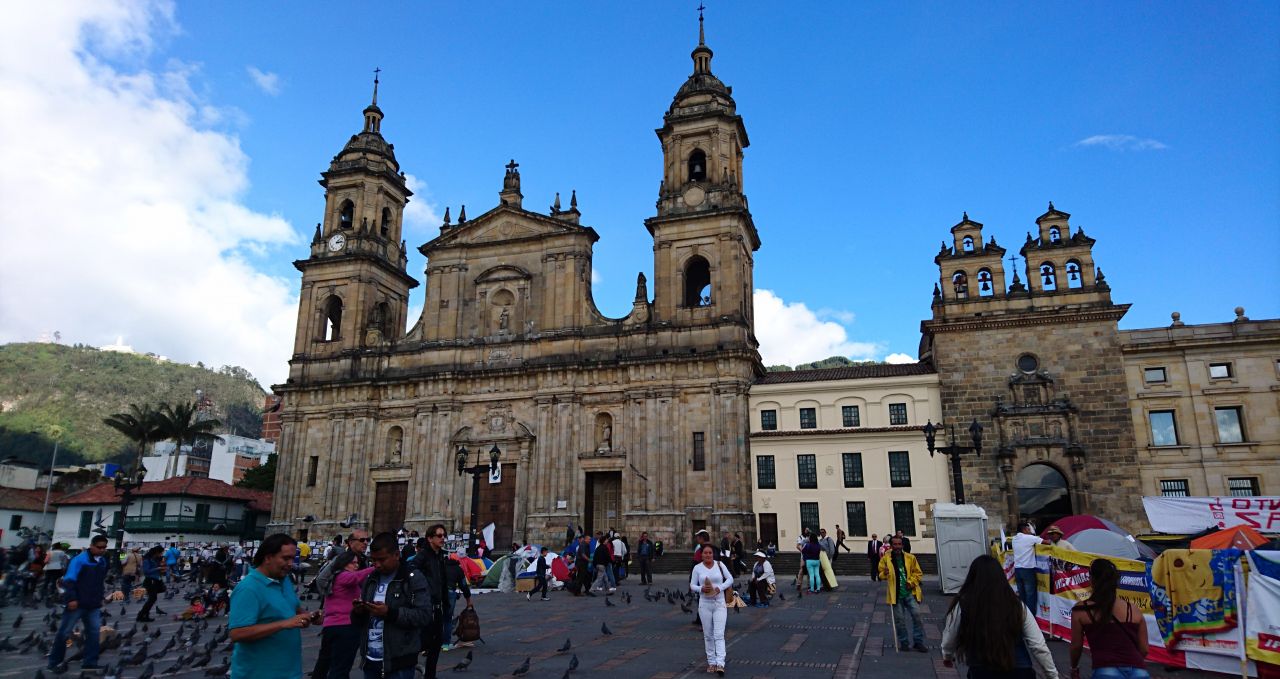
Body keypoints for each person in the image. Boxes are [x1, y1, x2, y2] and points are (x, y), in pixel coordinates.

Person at [942, 555, 1058, 678]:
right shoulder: (1017, 605)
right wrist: (1052, 675)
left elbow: (950, 636)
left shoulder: (962, 604)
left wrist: (947, 655)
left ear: (972, 577)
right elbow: (1038, 645)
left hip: (981, 671)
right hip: (1019, 670)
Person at [229, 533, 318, 679]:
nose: (291, 563)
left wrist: (309, 616)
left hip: (290, 672)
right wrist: (284, 624)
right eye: (285, 558)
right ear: (268, 557)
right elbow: (237, 633)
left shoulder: (284, 580)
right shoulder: (249, 588)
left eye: (292, 558)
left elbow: (293, 610)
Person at [351, 532, 431, 679]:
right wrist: (358, 611)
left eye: (382, 559)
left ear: (396, 554)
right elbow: (359, 622)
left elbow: (424, 616)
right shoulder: (371, 578)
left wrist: (390, 613)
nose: (377, 565)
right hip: (370, 661)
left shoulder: (412, 578)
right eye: (373, 560)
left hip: (399, 662)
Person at [1070, 559, 1149, 679]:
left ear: (1092, 580)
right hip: (1139, 672)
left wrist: (1074, 668)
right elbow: (1144, 649)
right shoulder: (1133, 610)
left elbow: (1076, 646)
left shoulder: (1081, 610)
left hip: (1106, 671)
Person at [311, 529, 372, 679]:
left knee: (331, 660)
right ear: (351, 543)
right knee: (336, 664)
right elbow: (321, 579)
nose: (366, 543)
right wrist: (331, 594)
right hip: (343, 620)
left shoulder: (361, 559)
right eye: (362, 540)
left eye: (367, 540)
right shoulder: (341, 559)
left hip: (351, 617)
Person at [47, 534, 109, 672]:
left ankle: (90, 662)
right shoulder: (79, 560)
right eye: (99, 547)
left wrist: (100, 597)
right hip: (77, 603)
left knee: (93, 633)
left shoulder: (102, 561)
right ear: (91, 546)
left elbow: (99, 582)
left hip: (93, 604)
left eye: (104, 547)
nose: (102, 550)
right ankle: (54, 662)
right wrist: (71, 599)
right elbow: (69, 581)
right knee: (64, 633)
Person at [879, 535, 927, 653]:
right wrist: (884, 573)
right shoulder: (886, 558)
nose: (897, 547)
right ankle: (904, 642)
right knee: (899, 620)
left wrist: (911, 582)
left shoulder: (910, 558)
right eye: (894, 544)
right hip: (896, 594)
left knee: (917, 616)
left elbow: (918, 573)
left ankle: (918, 642)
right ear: (891, 545)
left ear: (902, 545)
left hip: (910, 593)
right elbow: (880, 574)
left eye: (899, 544)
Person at [690, 544, 732, 675]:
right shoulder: (697, 568)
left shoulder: (720, 565)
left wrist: (720, 587)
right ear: (701, 555)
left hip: (719, 603)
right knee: (708, 635)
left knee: (719, 634)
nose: (708, 555)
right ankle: (711, 662)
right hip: (705, 604)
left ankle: (720, 663)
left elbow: (730, 579)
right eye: (705, 553)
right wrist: (700, 588)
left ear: (713, 554)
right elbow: (692, 585)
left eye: (710, 553)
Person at [415, 524, 450, 679]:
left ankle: (430, 675)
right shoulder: (423, 556)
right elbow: (411, 572)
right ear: (430, 538)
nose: (443, 539)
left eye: (444, 536)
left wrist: (446, 602)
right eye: (439, 536)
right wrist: (424, 591)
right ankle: (407, 669)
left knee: (436, 644)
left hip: (438, 607)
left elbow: (442, 581)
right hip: (425, 606)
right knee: (421, 642)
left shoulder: (440, 556)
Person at [442, 548, 474, 651]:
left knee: (437, 618)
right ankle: (446, 644)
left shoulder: (440, 567)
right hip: (450, 593)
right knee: (447, 619)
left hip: (438, 593)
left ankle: (433, 643)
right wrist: (468, 600)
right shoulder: (458, 569)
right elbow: (464, 586)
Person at [1011, 522, 1042, 613]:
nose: (1029, 531)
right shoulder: (1028, 538)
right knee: (1030, 595)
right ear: (1024, 529)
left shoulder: (1014, 539)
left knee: (1022, 595)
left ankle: (1023, 615)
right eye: (1028, 529)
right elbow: (1046, 542)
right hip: (1027, 570)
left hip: (1018, 570)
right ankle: (1030, 618)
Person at [137, 545, 165, 622]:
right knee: (152, 599)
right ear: (156, 552)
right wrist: (157, 568)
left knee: (152, 599)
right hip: (150, 581)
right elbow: (146, 571)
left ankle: (144, 615)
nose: (161, 554)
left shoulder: (153, 559)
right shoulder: (147, 560)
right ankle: (141, 615)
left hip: (155, 580)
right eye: (161, 553)